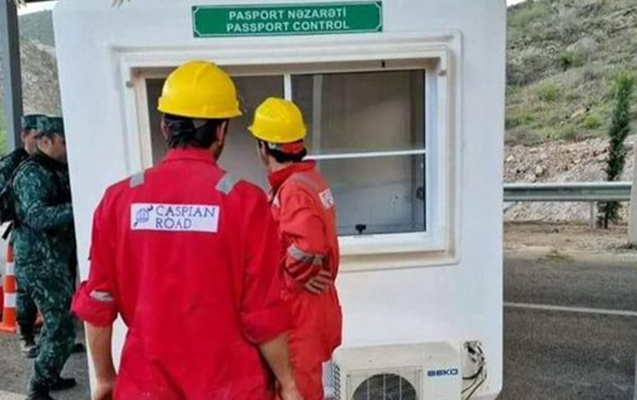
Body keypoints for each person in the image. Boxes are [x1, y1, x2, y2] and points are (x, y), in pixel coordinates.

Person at [72, 60, 302, 400]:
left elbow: (98, 302)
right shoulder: (246, 203)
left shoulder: (118, 200)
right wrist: (288, 382)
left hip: (145, 387)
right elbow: (261, 311)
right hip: (230, 388)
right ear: (221, 130)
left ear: (165, 128)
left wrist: (105, 378)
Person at [249, 98, 343, 400]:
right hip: (313, 306)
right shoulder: (308, 180)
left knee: (298, 389)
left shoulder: (293, 189)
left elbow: (308, 245)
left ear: (263, 147)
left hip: (299, 311)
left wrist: (289, 276)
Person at [12, 116, 77, 400]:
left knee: (59, 324)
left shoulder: (56, 168)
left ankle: (50, 375)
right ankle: (38, 387)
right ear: (46, 141)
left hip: (55, 260)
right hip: (38, 262)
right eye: (64, 141)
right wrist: (78, 206)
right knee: (62, 326)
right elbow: (36, 216)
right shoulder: (31, 174)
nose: (68, 147)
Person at [0, 114, 46, 358]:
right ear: (24, 136)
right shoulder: (13, 164)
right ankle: (26, 335)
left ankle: (53, 338)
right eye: (35, 136)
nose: (40, 142)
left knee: (57, 288)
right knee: (26, 288)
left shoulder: (50, 161)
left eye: (43, 137)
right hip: (27, 235)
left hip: (53, 237)